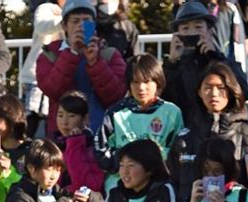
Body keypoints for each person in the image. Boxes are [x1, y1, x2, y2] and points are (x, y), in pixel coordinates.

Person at [168, 60, 248, 202]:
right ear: (199, 91)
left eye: (220, 87)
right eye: (208, 88)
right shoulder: (184, 140)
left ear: (230, 91)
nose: (214, 94)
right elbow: (174, 186)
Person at [36, 0, 127, 136]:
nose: (81, 26)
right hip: (62, 135)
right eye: (75, 21)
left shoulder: (109, 54)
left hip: (101, 135)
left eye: (86, 20)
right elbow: (53, 90)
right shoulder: (50, 54)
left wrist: (95, 62)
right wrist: (72, 53)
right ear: (64, 26)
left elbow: (116, 95)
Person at [94, 52, 183, 190]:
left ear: (158, 83)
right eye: (135, 82)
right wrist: (127, 163)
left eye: (147, 82)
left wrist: (152, 160)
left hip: (158, 184)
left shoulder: (172, 112)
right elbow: (101, 150)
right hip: (120, 185)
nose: (141, 88)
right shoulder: (115, 113)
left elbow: (178, 152)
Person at [163, 0, 248, 128]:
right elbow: (165, 100)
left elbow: (242, 91)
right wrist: (172, 63)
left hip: (224, 128)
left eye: (198, 27)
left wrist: (215, 55)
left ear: (209, 31)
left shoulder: (221, 62)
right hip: (188, 130)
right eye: (185, 29)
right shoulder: (175, 67)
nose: (192, 33)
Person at [20, 0, 65, 138]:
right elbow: (42, 27)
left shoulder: (80, 11)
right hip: (35, 77)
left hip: (62, 76)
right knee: (29, 126)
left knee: (53, 124)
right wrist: (66, 18)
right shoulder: (46, 8)